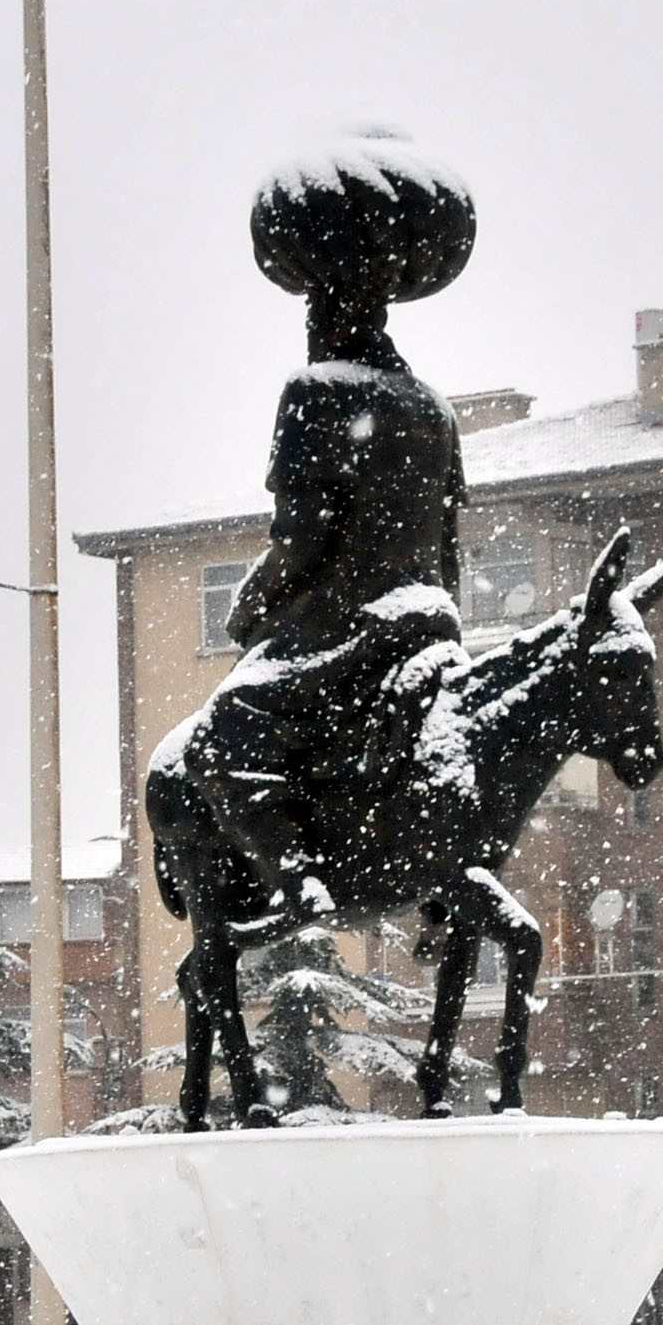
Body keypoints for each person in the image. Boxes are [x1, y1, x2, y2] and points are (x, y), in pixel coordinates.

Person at [175, 129, 477, 935]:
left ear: (329, 309)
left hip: (346, 627)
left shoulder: (317, 392)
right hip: (429, 626)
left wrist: (247, 606)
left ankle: (298, 880)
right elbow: (447, 549)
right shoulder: (435, 410)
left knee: (221, 740)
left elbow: (301, 540)